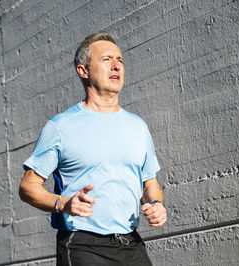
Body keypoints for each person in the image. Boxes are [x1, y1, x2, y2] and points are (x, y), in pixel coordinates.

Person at [19, 32, 167, 266]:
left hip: (131, 244)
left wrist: (157, 205)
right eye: (107, 59)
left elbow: (149, 184)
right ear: (83, 71)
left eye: (120, 60)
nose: (116, 65)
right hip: (83, 245)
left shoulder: (137, 126)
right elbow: (28, 187)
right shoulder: (60, 126)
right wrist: (63, 203)